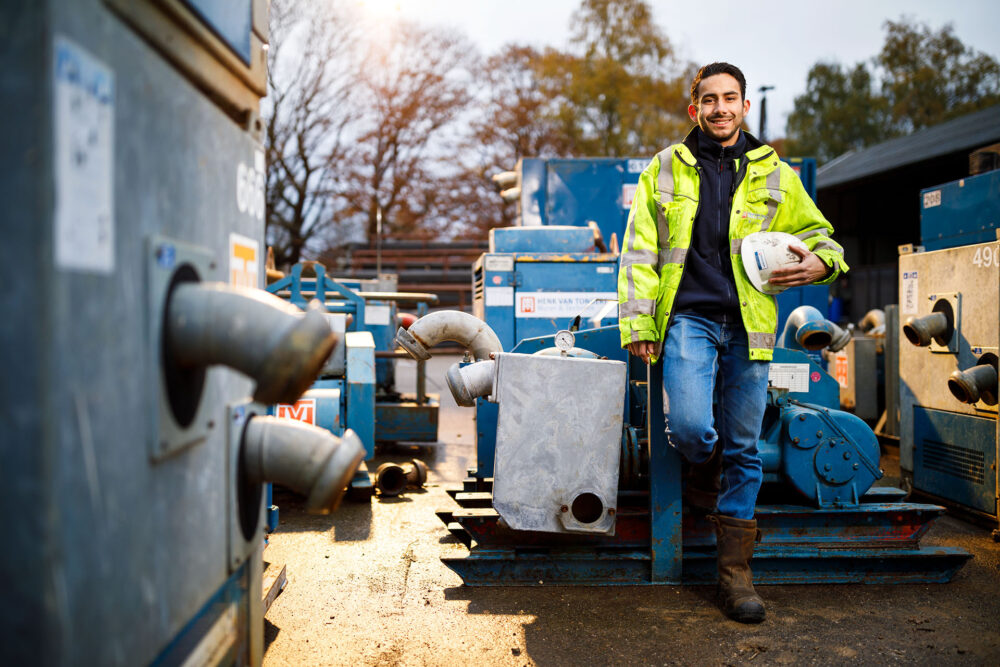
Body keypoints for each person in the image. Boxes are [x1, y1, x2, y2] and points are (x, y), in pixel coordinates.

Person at [617, 62, 848, 623]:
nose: (719, 108)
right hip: (689, 319)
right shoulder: (664, 168)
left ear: (744, 106)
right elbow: (640, 250)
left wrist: (822, 262)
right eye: (709, 99)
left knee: (745, 446)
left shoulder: (777, 174)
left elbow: (821, 236)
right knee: (690, 428)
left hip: (750, 324)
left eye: (730, 98)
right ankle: (705, 466)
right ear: (694, 108)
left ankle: (735, 576)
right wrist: (640, 324)